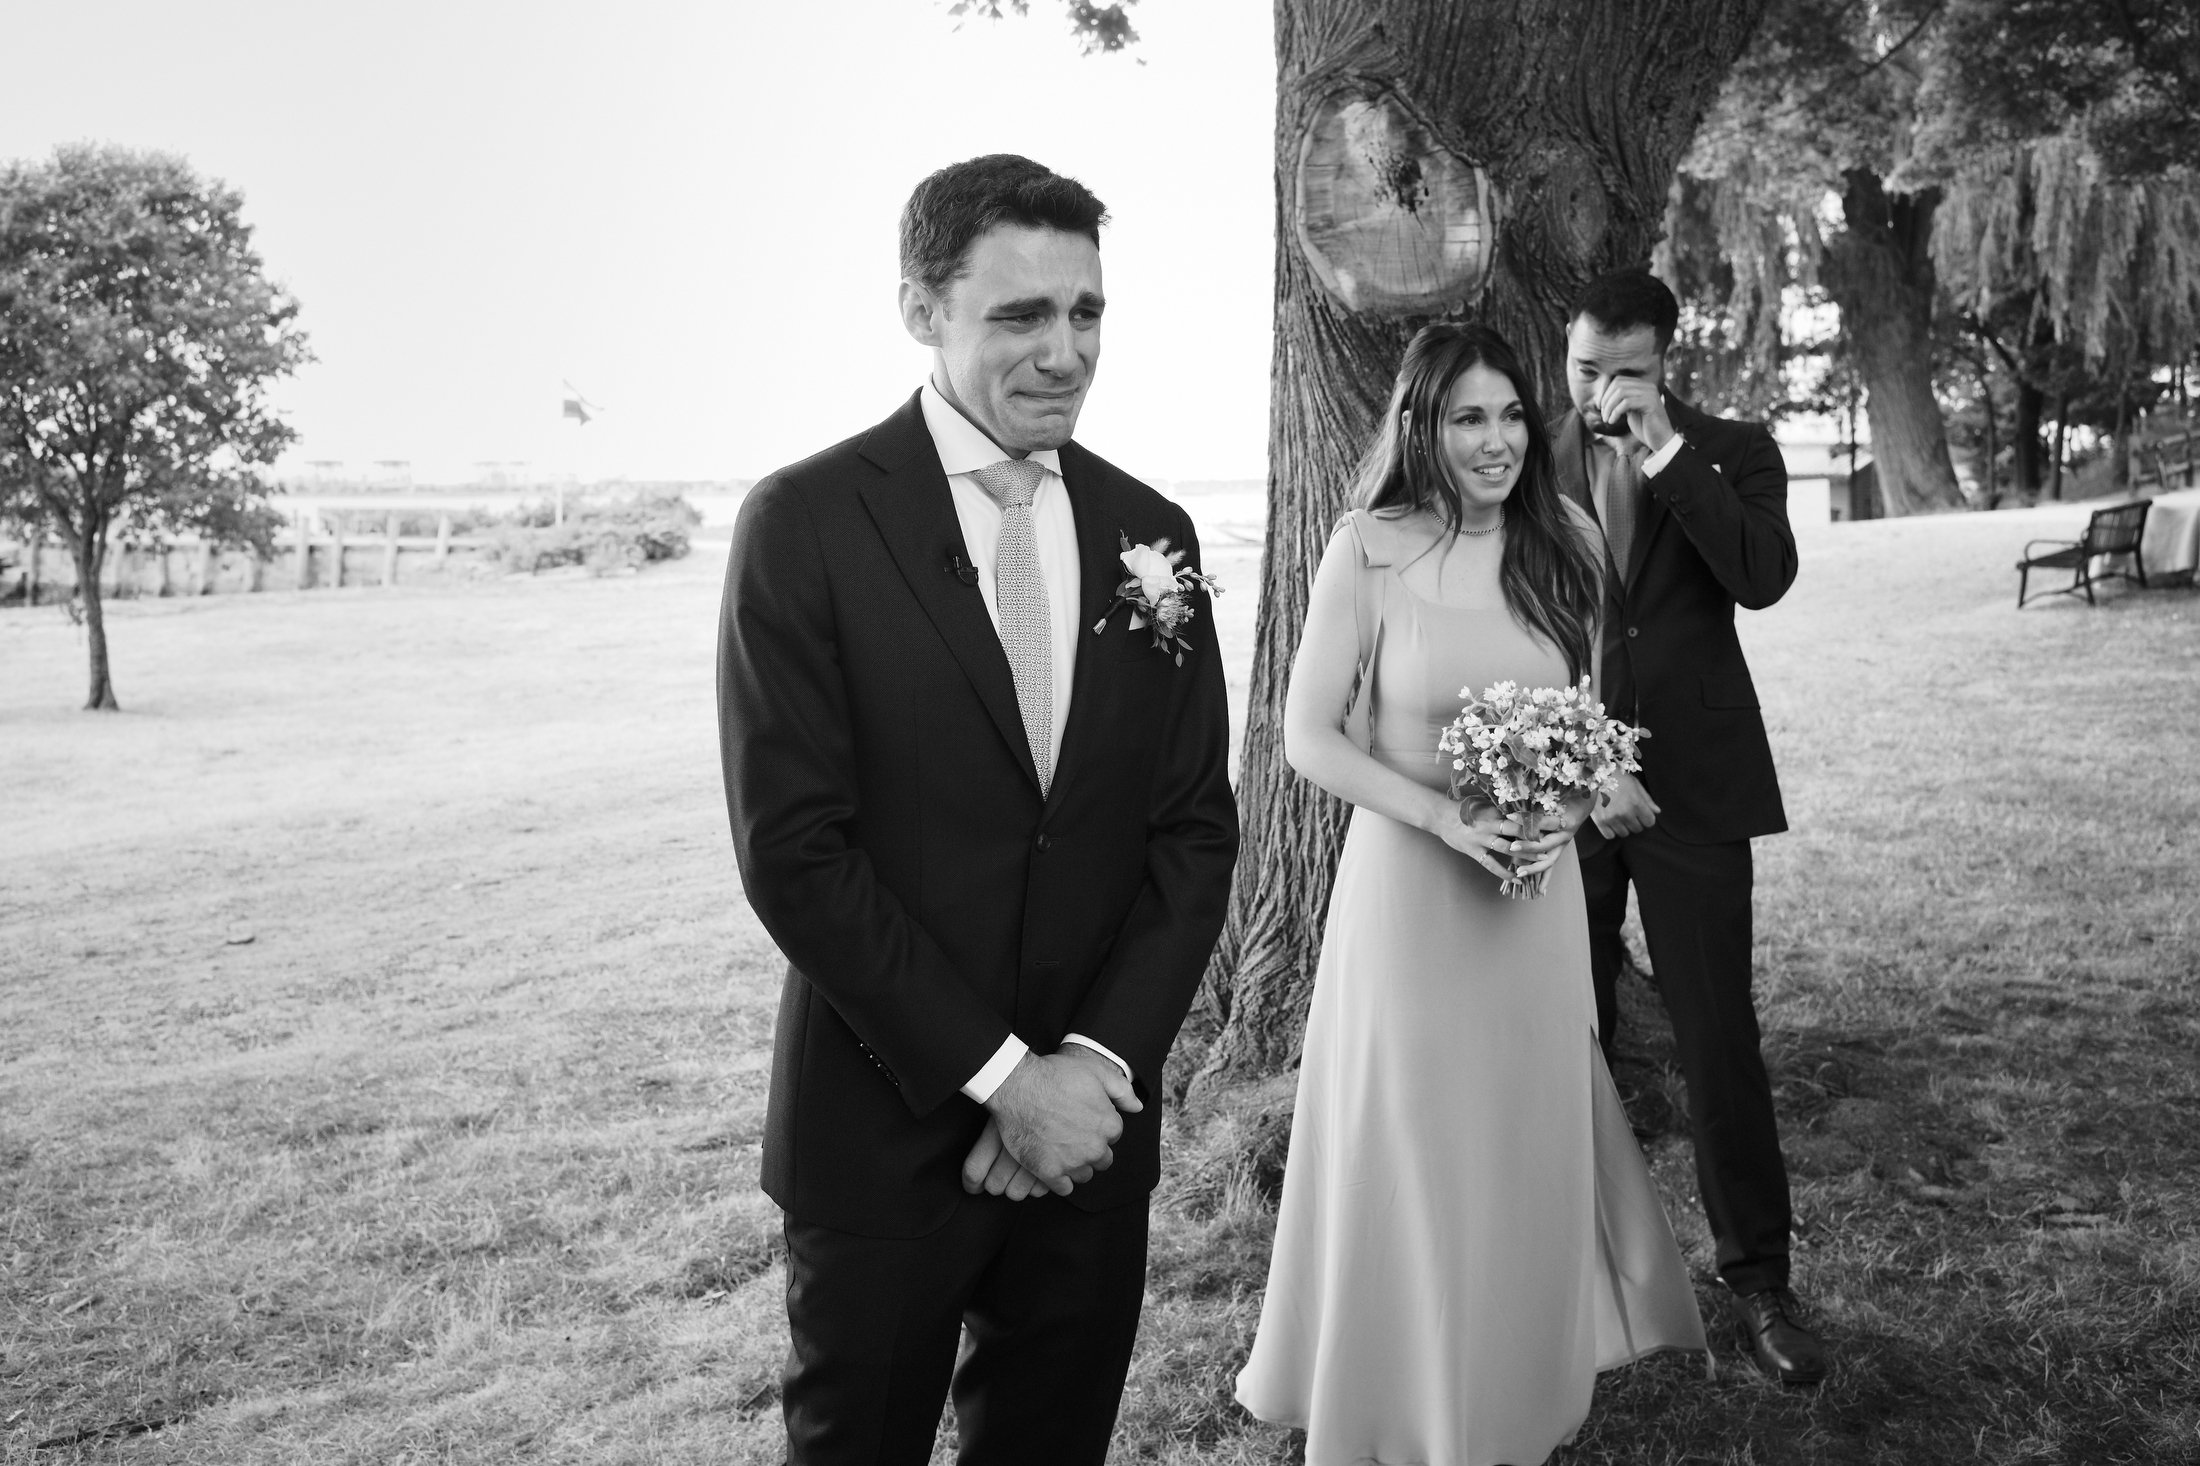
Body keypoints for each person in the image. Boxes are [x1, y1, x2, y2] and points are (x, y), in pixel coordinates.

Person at [717, 154, 1239, 1465]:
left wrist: (1095, 1075)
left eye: (1089, 313)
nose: (1067, 352)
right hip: (886, 1136)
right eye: (1021, 316)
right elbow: (797, 854)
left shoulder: (1151, 530)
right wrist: (1007, 1080)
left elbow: (1189, 832)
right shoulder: (807, 522)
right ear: (920, 309)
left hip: (1089, 1147)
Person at [1235, 322, 1706, 1466]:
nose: (1494, 441)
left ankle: (1511, 1380)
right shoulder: (1368, 545)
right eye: (1465, 418)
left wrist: (1567, 807)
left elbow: (1582, 719)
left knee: (1517, 1135)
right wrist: (1448, 816)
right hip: (1408, 891)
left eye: (1508, 415)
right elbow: (1304, 735)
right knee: (1411, 1140)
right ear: (1421, 427)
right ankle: (1394, 1385)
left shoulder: (1570, 541)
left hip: (1531, 897)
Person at [1551, 267, 1822, 1386]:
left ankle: (1758, 1281)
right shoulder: (1525, 447)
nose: (1600, 392)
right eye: (1582, 369)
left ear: (1666, 363)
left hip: (1695, 784)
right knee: (1562, 1036)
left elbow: (1760, 576)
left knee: (1718, 1039)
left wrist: (1666, 457)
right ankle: (1561, 1276)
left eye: (1626, 372)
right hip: (1560, 788)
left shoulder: (1734, 447)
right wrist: (1576, 754)